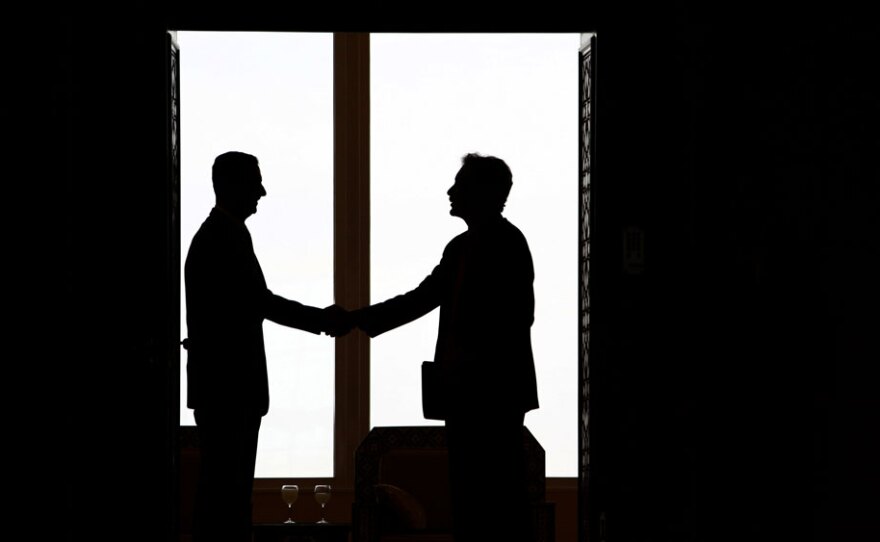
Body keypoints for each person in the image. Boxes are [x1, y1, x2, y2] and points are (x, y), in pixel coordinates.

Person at [354, 153, 539, 542]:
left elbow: (517, 316)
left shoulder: (507, 244)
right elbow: (423, 297)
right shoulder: (462, 248)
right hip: (468, 394)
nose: (450, 191)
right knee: (471, 498)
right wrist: (360, 319)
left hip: (492, 394)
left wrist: (353, 320)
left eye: (461, 184)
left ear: (485, 192)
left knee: (496, 498)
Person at [183, 151, 349, 542]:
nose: (262, 191)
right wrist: (322, 320)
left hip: (222, 387)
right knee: (227, 497)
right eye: (254, 182)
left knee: (224, 494)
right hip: (230, 388)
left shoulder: (219, 235)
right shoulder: (224, 238)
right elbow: (260, 302)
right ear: (231, 185)